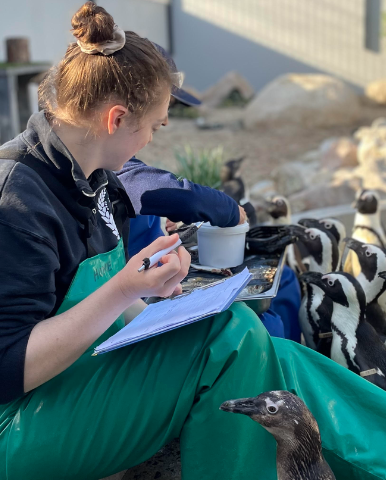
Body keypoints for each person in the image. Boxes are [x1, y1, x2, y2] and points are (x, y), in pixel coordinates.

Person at [0, 3, 386, 480]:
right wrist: (122, 290)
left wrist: (155, 294)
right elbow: (0, 374)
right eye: (154, 127)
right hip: (15, 425)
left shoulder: (90, 178)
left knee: (273, 356)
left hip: (75, 378)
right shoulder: (5, 207)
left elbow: (85, 305)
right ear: (116, 118)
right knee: (228, 339)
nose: (152, 142)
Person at [117, 43, 297, 340]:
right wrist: (225, 208)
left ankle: (295, 364)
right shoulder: (107, 164)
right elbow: (147, 185)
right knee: (262, 323)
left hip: (165, 264)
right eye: (164, 108)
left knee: (285, 279)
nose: (166, 120)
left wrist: (169, 227)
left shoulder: (122, 154)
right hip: (147, 285)